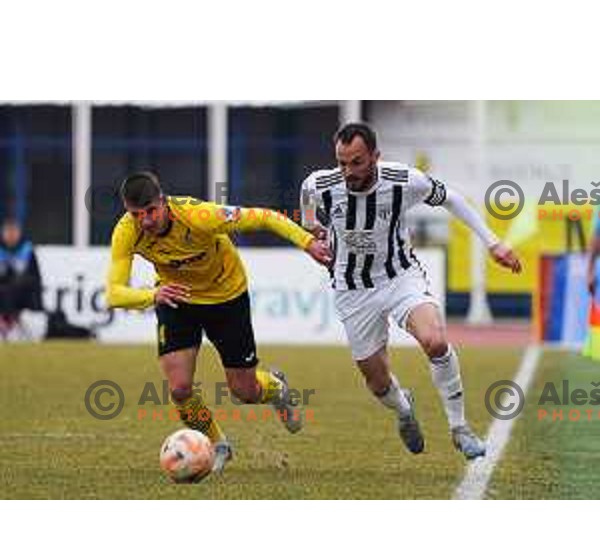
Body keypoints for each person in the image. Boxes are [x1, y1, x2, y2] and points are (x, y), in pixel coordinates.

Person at [300, 123, 522, 460]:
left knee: (435, 341)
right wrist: (310, 234)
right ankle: (404, 409)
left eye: (357, 162)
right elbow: (306, 205)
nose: (348, 172)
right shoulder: (321, 185)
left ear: (376, 156)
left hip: (400, 276)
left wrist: (493, 242)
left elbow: (452, 198)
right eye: (342, 163)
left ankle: (460, 428)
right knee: (377, 383)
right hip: (352, 288)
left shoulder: (404, 180)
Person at [106, 172, 331, 473]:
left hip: (226, 297)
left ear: (164, 202)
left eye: (151, 211)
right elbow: (113, 293)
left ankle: (275, 387)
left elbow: (264, 217)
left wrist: (307, 243)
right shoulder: (126, 232)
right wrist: (154, 294)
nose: (145, 221)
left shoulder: (199, 216)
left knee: (244, 391)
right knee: (180, 388)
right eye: (136, 214)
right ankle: (217, 444)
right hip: (177, 299)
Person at [0, 218, 43, 339]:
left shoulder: (27, 250)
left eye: (13, 231)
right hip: (3, 296)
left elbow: (36, 279)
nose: (11, 235)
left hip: (24, 298)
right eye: (8, 231)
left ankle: (11, 324)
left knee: (14, 289)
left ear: (19, 232)